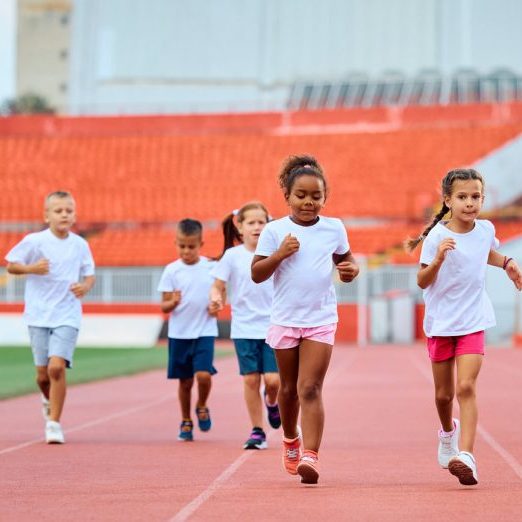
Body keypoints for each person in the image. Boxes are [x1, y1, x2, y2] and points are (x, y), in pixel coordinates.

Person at [406, 168, 522, 486]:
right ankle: (448, 434)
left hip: (473, 320)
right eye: (462, 197)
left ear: (482, 199)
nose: (470, 203)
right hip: (442, 323)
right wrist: (440, 259)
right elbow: (421, 280)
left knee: (466, 387)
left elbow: (485, 253)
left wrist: (508, 264)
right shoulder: (436, 238)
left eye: (475, 197)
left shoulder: (485, 229)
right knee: (443, 396)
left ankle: (467, 455)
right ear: (448, 200)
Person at [251, 155, 359, 484]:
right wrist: (280, 253)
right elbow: (257, 274)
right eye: (301, 195)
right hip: (285, 318)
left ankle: (311, 455)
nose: (309, 202)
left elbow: (347, 263)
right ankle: (290, 439)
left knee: (309, 388)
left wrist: (351, 271)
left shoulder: (334, 228)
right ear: (287, 195)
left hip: (320, 318)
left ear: (324, 197)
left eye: (316, 196)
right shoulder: (274, 231)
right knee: (287, 391)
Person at [5, 191, 96, 444]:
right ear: (46, 216)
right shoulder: (35, 241)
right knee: (42, 376)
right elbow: (11, 264)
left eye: (68, 210)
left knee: (57, 367)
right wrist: (32, 268)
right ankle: (47, 398)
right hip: (38, 314)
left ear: (74, 215)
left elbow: (89, 274)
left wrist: (85, 287)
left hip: (67, 313)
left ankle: (54, 423)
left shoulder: (80, 244)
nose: (64, 214)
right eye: (58, 210)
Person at [210, 202, 281, 450]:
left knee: (273, 381)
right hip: (243, 327)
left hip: (274, 326)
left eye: (261, 222)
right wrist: (216, 297)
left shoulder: (275, 254)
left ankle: (272, 402)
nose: (257, 227)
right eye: (251, 223)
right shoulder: (232, 256)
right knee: (251, 380)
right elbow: (217, 285)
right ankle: (257, 430)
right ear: (239, 228)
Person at [158, 218, 219, 442]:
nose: (186, 251)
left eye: (191, 246)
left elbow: (219, 296)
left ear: (200, 244)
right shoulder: (171, 271)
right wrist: (172, 302)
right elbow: (163, 305)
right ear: (176, 243)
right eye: (182, 246)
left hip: (204, 331)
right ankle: (185, 420)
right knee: (185, 382)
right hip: (179, 334)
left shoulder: (211, 267)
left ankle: (202, 405)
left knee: (203, 375)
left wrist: (216, 305)